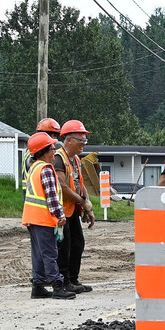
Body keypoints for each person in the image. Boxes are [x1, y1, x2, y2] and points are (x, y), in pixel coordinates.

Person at [21, 132, 71, 299]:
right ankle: (57, 285)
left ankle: (38, 286)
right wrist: (61, 216)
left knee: (38, 253)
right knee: (50, 253)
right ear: (43, 151)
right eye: (52, 148)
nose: (54, 151)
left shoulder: (34, 167)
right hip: (43, 218)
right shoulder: (46, 169)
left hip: (32, 218)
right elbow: (52, 197)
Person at [55, 119, 95, 293]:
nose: (84, 144)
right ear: (69, 140)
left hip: (73, 210)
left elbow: (79, 182)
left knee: (77, 243)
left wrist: (87, 205)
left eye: (85, 141)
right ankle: (64, 281)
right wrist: (80, 200)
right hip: (62, 211)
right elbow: (62, 187)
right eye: (81, 140)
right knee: (65, 247)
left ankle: (73, 279)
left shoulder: (75, 160)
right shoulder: (59, 159)